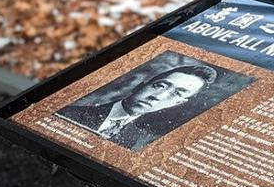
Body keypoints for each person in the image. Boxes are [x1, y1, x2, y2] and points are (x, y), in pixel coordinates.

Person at [57, 64, 218, 150]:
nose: (159, 96)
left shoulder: (140, 143)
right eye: (160, 86)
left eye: (176, 94)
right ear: (142, 85)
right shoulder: (70, 112)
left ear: (177, 103)